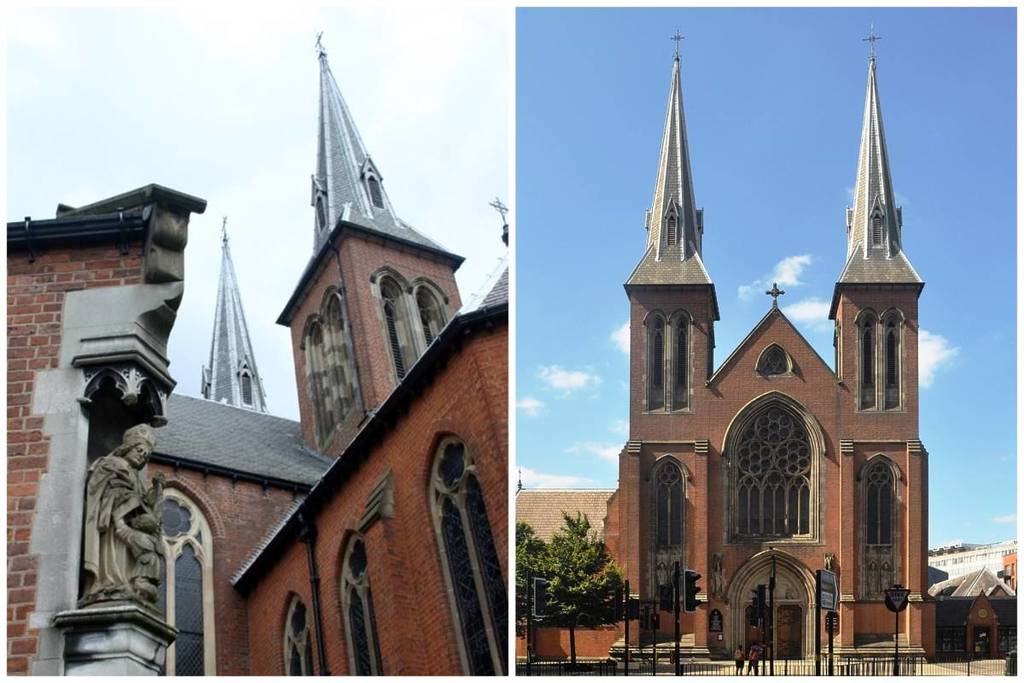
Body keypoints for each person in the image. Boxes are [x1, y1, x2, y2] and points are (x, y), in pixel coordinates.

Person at [80, 423, 166, 607]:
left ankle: (131, 583)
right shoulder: (111, 463)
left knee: (148, 546)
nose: (141, 456)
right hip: (113, 526)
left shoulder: (135, 475)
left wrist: (156, 491)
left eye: (145, 455)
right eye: (139, 450)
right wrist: (128, 498)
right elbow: (98, 488)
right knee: (117, 558)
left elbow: (143, 502)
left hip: (127, 523)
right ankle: (109, 583)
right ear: (128, 447)